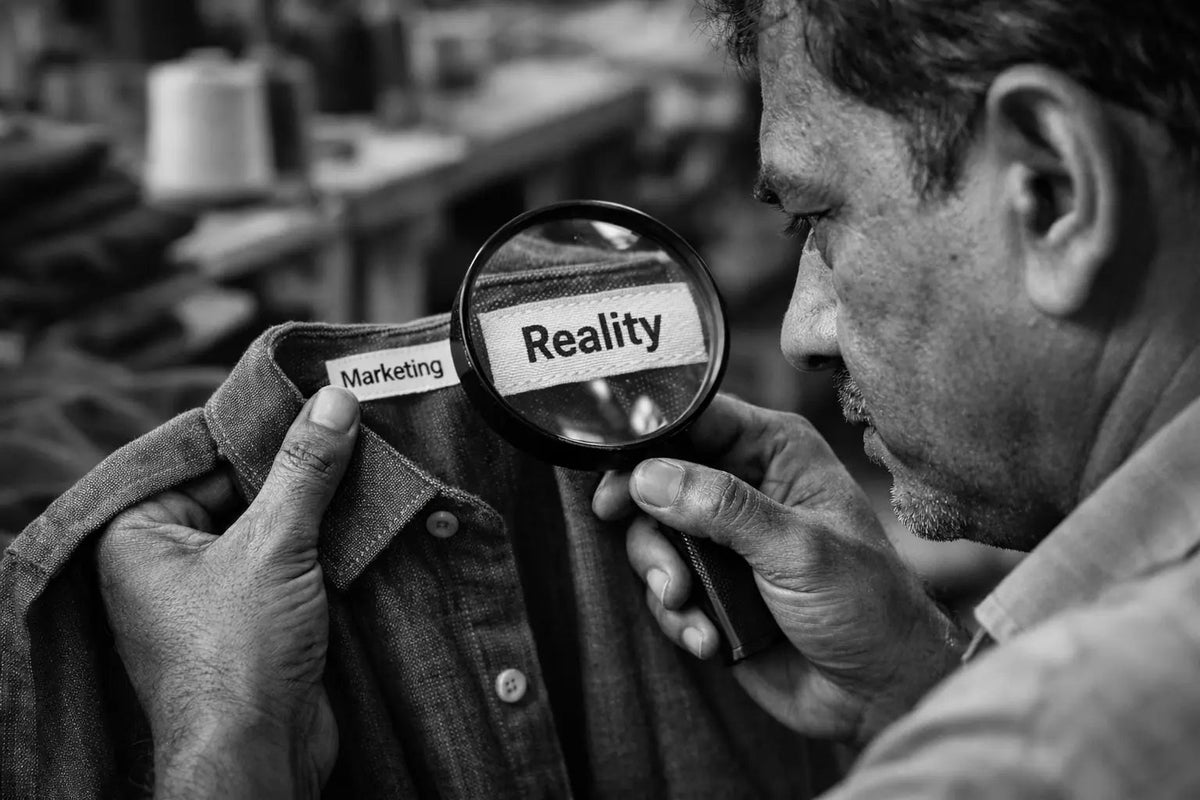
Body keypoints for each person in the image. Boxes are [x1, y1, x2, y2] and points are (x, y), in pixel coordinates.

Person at [95, 0, 1200, 797]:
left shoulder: (1025, 754)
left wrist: (220, 747)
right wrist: (914, 683)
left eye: (819, 220)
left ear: (1053, 187)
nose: (803, 329)